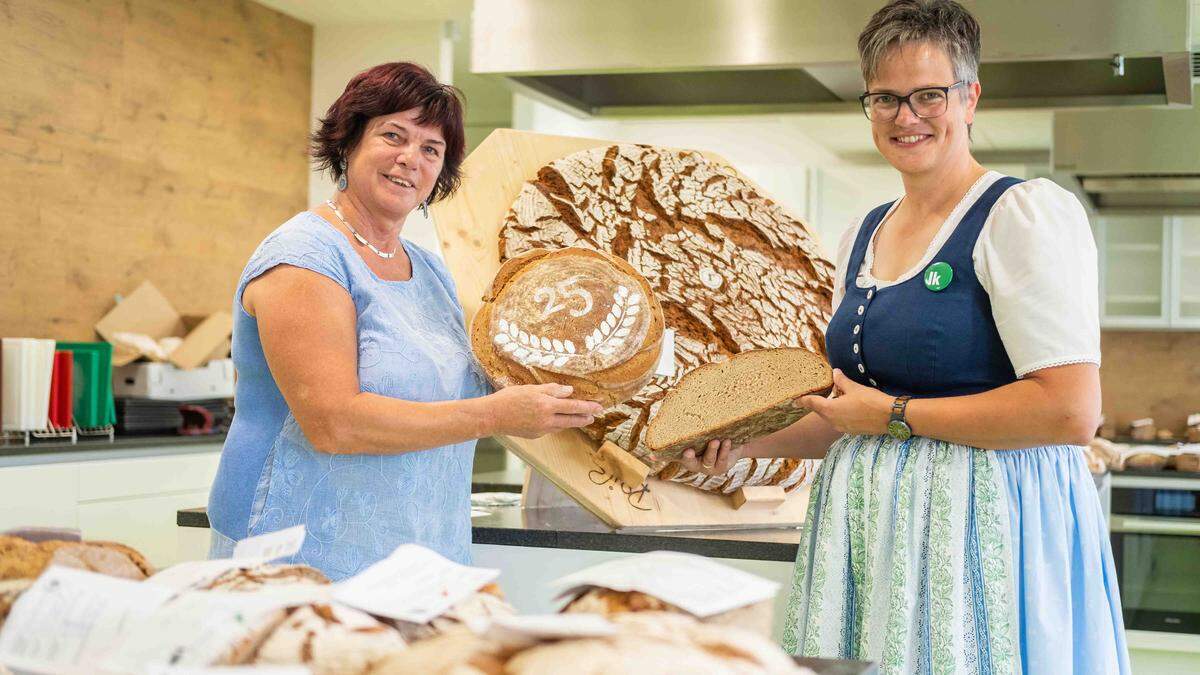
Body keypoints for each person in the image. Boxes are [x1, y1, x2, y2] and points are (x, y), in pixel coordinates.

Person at [678, 2, 1128, 672]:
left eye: (928, 95)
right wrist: (739, 440)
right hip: (874, 533)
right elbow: (847, 416)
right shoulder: (865, 230)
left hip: (985, 528)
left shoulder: (1022, 215)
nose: (905, 116)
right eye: (885, 98)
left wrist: (893, 415)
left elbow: (1069, 410)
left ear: (970, 97)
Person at [206, 62, 602, 580]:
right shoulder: (304, 257)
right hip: (303, 550)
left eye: (430, 149)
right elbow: (333, 422)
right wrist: (493, 415)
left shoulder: (430, 269)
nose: (409, 159)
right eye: (393, 135)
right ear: (348, 141)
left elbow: (500, 380)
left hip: (421, 546)